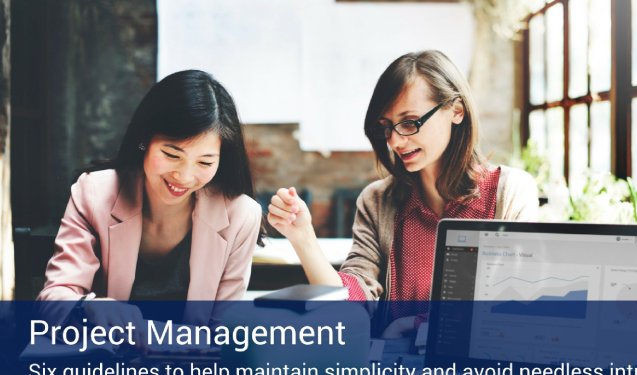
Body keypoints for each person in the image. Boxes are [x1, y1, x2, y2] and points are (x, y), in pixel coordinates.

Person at [268, 50, 538, 330]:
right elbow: (350, 304)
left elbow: (512, 303)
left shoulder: (510, 193)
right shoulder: (377, 201)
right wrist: (303, 239)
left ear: (456, 111)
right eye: (386, 127)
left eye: (410, 122)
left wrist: (417, 327)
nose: (395, 141)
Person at [38, 70, 263, 326]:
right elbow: (53, 301)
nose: (184, 176)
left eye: (205, 161)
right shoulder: (94, 193)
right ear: (145, 141)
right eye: (171, 154)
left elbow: (223, 328)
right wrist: (88, 309)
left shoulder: (241, 215)